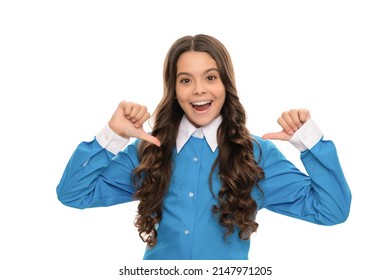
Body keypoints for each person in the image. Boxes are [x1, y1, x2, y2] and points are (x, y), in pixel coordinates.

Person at [56, 34, 351, 260]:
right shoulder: (148, 152)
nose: (198, 89)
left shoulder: (256, 155)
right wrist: (112, 135)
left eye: (210, 77)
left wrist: (309, 143)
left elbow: (331, 210)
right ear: (174, 89)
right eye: (186, 80)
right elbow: (73, 193)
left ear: (226, 84)